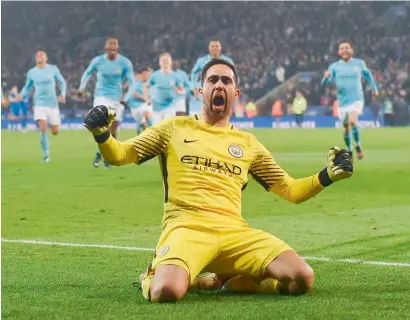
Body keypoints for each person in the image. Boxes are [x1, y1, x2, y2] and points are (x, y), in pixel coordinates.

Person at [83, 59, 353, 302]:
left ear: (236, 93)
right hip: (187, 228)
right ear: (200, 91)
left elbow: (290, 189)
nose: (219, 85)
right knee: (164, 293)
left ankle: (230, 283)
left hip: (235, 232)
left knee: (301, 278)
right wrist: (102, 135)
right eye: (212, 80)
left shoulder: (249, 144)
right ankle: (150, 278)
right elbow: (120, 155)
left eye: (226, 81)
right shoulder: (173, 129)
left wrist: (327, 175)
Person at [78, 37, 135, 168]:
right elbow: (87, 73)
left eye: (115, 45)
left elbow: (132, 83)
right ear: (106, 48)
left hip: (117, 99)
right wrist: (82, 87)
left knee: (112, 131)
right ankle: (99, 154)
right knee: (101, 122)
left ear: (118, 48)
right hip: (101, 96)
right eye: (111, 45)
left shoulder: (124, 63)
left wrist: (126, 98)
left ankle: (109, 156)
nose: (113, 47)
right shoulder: (98, 61)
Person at [322, 40, 379, 159]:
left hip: (357, 98)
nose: (344, 50)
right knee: (346, 128)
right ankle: (349, 149)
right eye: (342, 48)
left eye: (347, 48)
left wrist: (374, 89)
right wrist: (325, 78)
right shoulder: (334, 66)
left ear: (351, 50)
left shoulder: (359, 63)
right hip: (342, 101)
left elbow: (368, 76)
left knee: (353, 121)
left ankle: (357, 145)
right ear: (339, 52)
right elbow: (324, 83)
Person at [20, 50, 66, 163]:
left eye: (42, 54)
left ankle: (53, 126)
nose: (40, 56)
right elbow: (27, 86)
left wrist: (62, 94)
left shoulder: (53, 69)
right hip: (39, 104)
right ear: (36, 59)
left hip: (53, 104)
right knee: (43, 127)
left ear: (46, 58)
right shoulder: (32, 72)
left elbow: (62, 82)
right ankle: (46, 155)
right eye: (38, 55)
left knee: (55, 131)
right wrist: (20, 95)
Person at [143, 53, 184, 124]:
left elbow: (182, 90)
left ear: (171, 62)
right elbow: (145, 87)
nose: (165, 62)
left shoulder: (175, 77)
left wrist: (179, 92)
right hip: (156, 107)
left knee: (168, 128)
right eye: (163, 60)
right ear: (160, 63)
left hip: (169, 106)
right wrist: (147, 99)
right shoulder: (155, 75)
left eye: (167, 60)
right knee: (157, 130)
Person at [128, 68, 153, 134]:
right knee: (143, 124)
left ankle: (153, 133)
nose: (146, 76)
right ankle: (143, 132)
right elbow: (133, 93)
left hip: (145, 104)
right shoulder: (136, 83)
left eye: (148, 74)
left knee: (147, 115)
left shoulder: (151, 85)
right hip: (134, 106)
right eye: (144, 74)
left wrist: (148, 100)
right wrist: (143, 97)